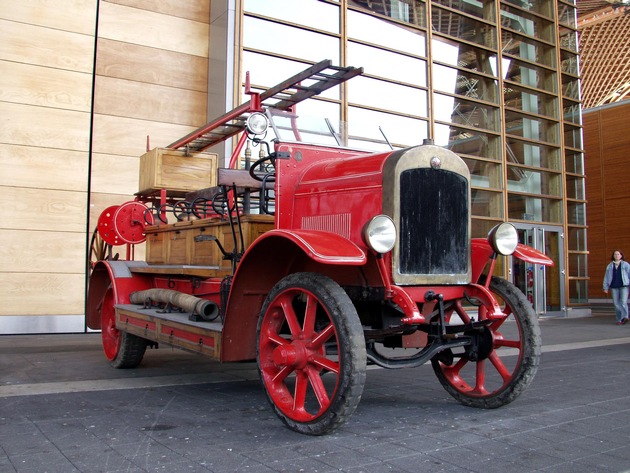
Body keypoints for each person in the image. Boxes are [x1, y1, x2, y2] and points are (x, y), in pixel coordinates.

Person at [603, 249, 630, 325]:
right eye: (615, 254)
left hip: (623, 286)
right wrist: (605, 287)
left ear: (621, 256)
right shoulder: (610, 266)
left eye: (618, 254)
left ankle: (625, 317)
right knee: (616, 303)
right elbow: (606, 277)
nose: (616, 256)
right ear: (613, 256)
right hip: (614, 287)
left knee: (623, 302)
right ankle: (619, 319)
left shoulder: (625, 265)